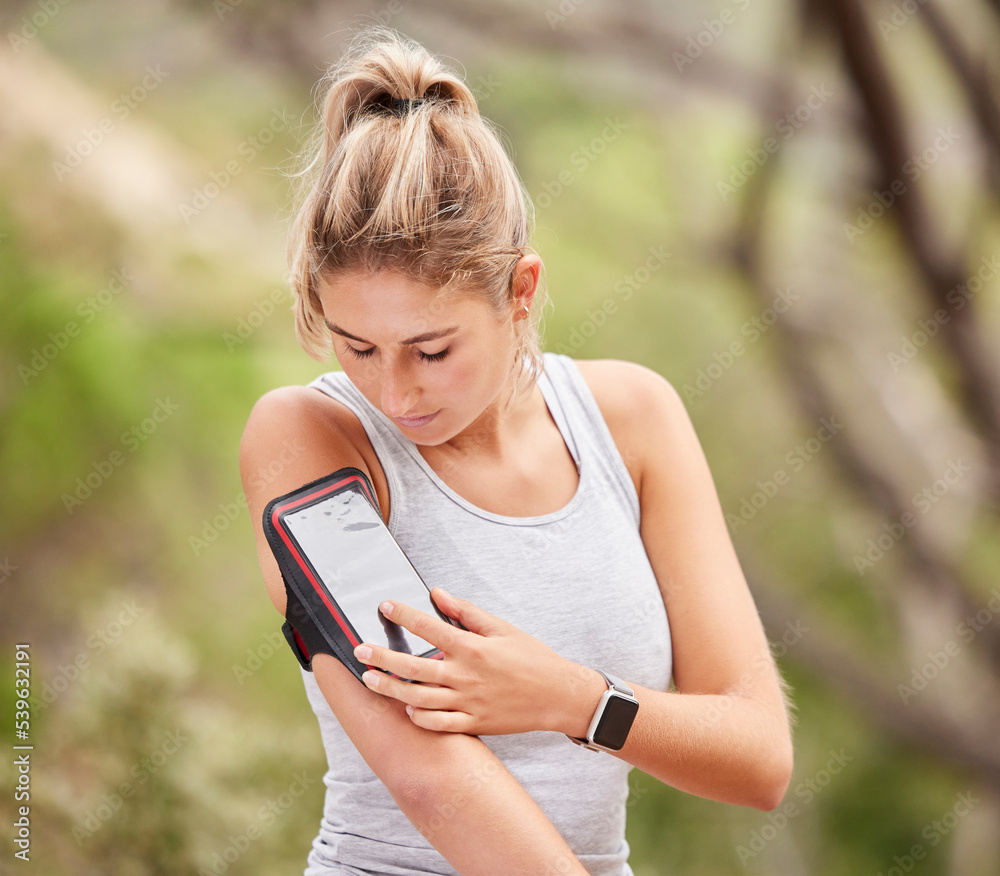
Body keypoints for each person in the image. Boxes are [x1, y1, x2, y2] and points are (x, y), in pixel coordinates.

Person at [240, 27, 793, 876]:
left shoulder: (635, 418)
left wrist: (574, 700)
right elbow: (429, 777)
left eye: (432, 352)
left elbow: (758, 757)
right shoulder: (307, 439)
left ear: (520, 292)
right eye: (357, 347)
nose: (395, 394)